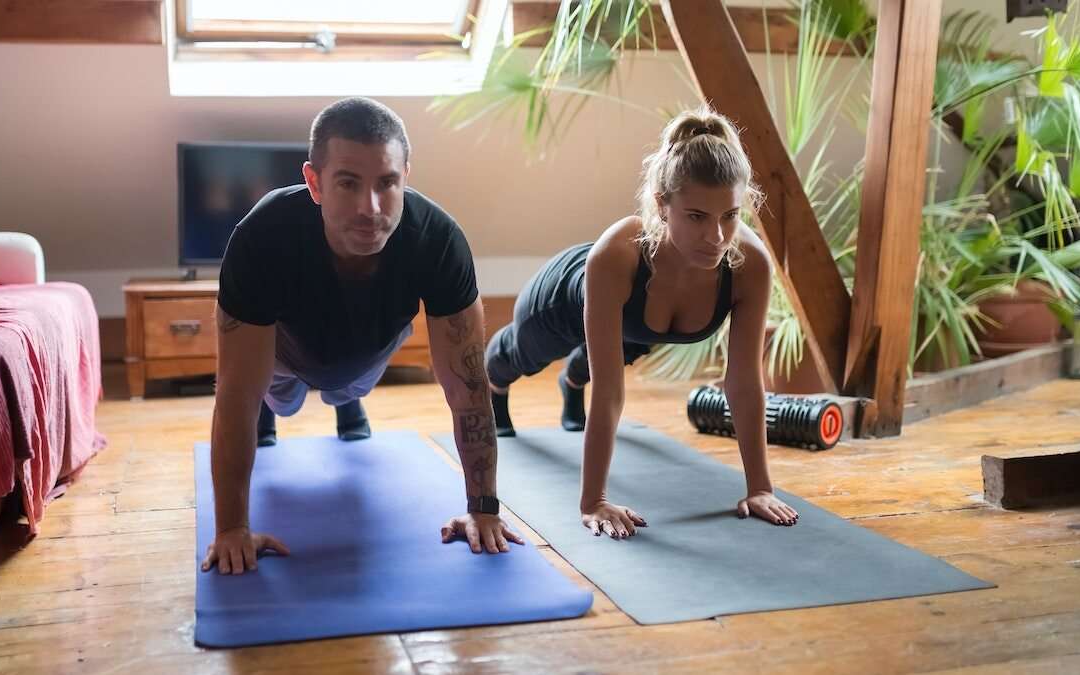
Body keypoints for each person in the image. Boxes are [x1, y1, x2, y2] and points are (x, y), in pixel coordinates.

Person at [202, 97, 522, 575]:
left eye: (387, 183)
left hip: (369, 349)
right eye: (348, 184)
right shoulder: (262, 236)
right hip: (283, 355)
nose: (370, 208)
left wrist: (483, 508)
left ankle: (344, 396)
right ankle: (278, 410)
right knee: (274, 398)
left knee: (346, 385)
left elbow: (468, 388)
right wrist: (231, 528)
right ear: (314, 183)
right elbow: (234, 394)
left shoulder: (437, 241)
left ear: (406, 176)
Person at [485, 106, 800, 538]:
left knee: (613, 353)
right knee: (522, 357)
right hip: (564, 299)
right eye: (696, 217)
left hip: (637, 325)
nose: (717, 237)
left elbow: (744, 383)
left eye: (730, 215)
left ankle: (571, 384)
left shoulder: (749, 264)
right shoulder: (617, 254)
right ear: (662, 206)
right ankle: (494, 385)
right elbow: (611, 390)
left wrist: (760, 487)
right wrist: (593, 501)